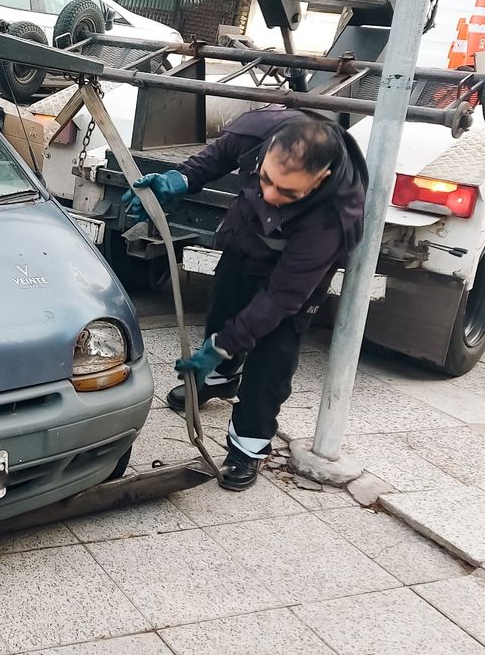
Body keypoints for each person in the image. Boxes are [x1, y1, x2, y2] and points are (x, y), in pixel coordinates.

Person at [122, 106, 367, 491]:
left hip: (294, 277)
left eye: (286, 191)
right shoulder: (257, 132)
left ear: (321, 179)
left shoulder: (333, 219)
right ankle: (220, 379)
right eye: (265, 179)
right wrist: (177, 180)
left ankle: (248, 447)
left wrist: (223, 345)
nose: (269, 194)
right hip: (246, 239)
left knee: (272, 355)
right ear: (267, 151)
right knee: (224, 309)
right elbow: (214, 159)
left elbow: (281, 297)